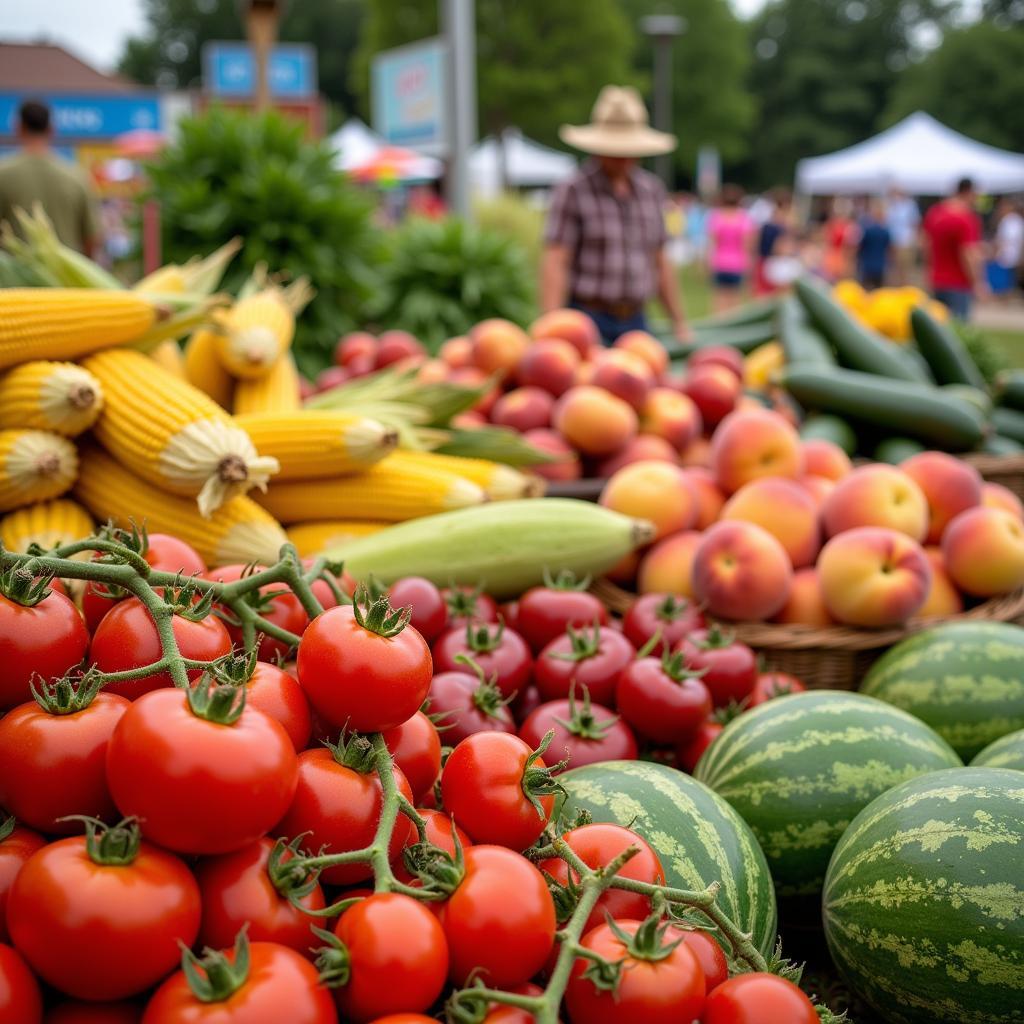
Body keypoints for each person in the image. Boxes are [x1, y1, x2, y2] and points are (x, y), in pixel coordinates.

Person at [541, 86, 691, 343]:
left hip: (636, 319)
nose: (622, 158)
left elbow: (660, 261)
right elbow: (557, 260)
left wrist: (678, 322)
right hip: (587, 316)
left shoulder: (651, 190)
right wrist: (552, 326)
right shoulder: (573, 190)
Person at [0, 99, 100, 256]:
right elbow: (91, 239)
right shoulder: (76, 176)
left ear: (19, 128)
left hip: (12, 278)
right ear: (51, 129)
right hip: (62, 279)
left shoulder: (3, 174)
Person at [922, 177, 988, 320]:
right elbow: (969, 253)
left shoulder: (935, 213)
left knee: (939, 329)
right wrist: (978, 282)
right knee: (959, 332)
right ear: (968, 192)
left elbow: (926, 244)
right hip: (959, 284)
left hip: (937, 280)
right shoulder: (966, 218)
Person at [706, 184, 755, 313]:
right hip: (737, 263)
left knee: (719, 298)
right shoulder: (744, 218)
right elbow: (747, 244)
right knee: (735, 300)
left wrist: (707, 262)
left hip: (719, 262)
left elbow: (712, 243)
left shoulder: (716, 217)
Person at [754, 188, 794, 296]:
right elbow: (781, 247)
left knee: (762, 294)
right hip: (775, 262)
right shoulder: (783, 225)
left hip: (763, 260)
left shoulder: (765, 223)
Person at [987, 197, 1023, 303]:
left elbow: (1004, 240)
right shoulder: (1012, 220)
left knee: (1006, 280)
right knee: (1007, 279)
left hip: (1008, 255)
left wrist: (995, 251)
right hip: (1008, 254)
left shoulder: (1010, 221)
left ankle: (1005, 299)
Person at [885, 188, 919, 285]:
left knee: (905, 267)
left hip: (905, 241)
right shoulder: (890, 206)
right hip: (892, 241)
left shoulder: (909, 206)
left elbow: (914, 223)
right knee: (894, 268)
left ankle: (905, 286)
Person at [821, 198, 859, 283]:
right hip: (834, 255)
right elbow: (827, 239)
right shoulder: (832, 224)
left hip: (843, 255)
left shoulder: (850, 226)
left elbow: (852, 245)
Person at [857, 200, 892, 290]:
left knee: (866, 291)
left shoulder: (867, 230)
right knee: (878, 292)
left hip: (867, 264)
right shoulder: (885, 231)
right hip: (880, 265)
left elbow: (860, 247)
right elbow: (889, 249)